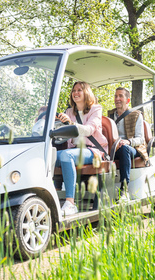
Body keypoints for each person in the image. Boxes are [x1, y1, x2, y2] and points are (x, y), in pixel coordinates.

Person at [55, 81, 108, 215]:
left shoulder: (96, 109)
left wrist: (71, 123)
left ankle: (70, 203)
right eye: (74, 91)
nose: (75, 93)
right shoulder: (69, 111)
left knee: (67, 155)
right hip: (74, 149)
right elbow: (65, 135)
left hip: (92, 150)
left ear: (86, 92)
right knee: (47, 154)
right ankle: (50, 198)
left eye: (79, 90)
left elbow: (89, 130)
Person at [107, 87, 148, 199]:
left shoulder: (136, 115)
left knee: (124, 148)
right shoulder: (110, 116)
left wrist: (128, 141)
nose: (117, 99)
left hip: (132, 148)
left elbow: (140, 139)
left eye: (120, 96)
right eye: (116, 96)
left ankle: (124, 189)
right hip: (114, 148)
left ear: (128, 100)